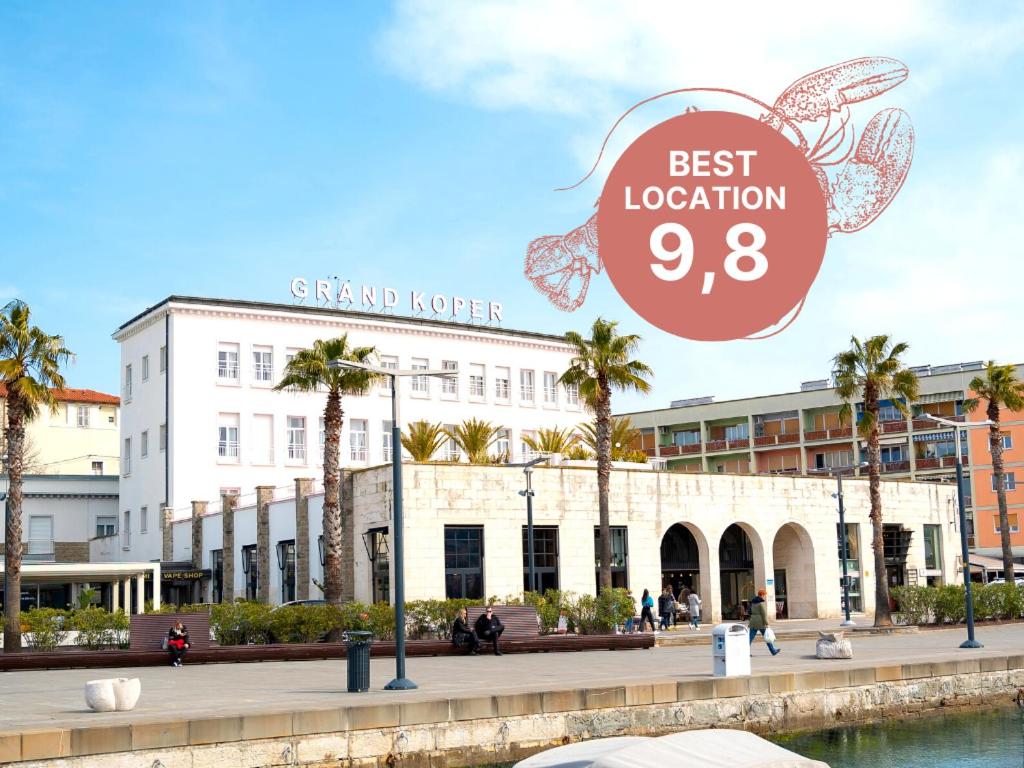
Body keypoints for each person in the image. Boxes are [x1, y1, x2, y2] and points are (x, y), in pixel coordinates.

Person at [748, 588, 780, 655]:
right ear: (762, 595)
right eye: (764, 595)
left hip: (753, 621)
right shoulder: (761, 603)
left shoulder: (753, 602)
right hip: (761, 622)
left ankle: (745, 652)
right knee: (767, 637)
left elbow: (750, 611)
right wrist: (767, 623)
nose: (765, 596)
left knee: (749, 638)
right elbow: (764, 614)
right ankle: (773, 651)